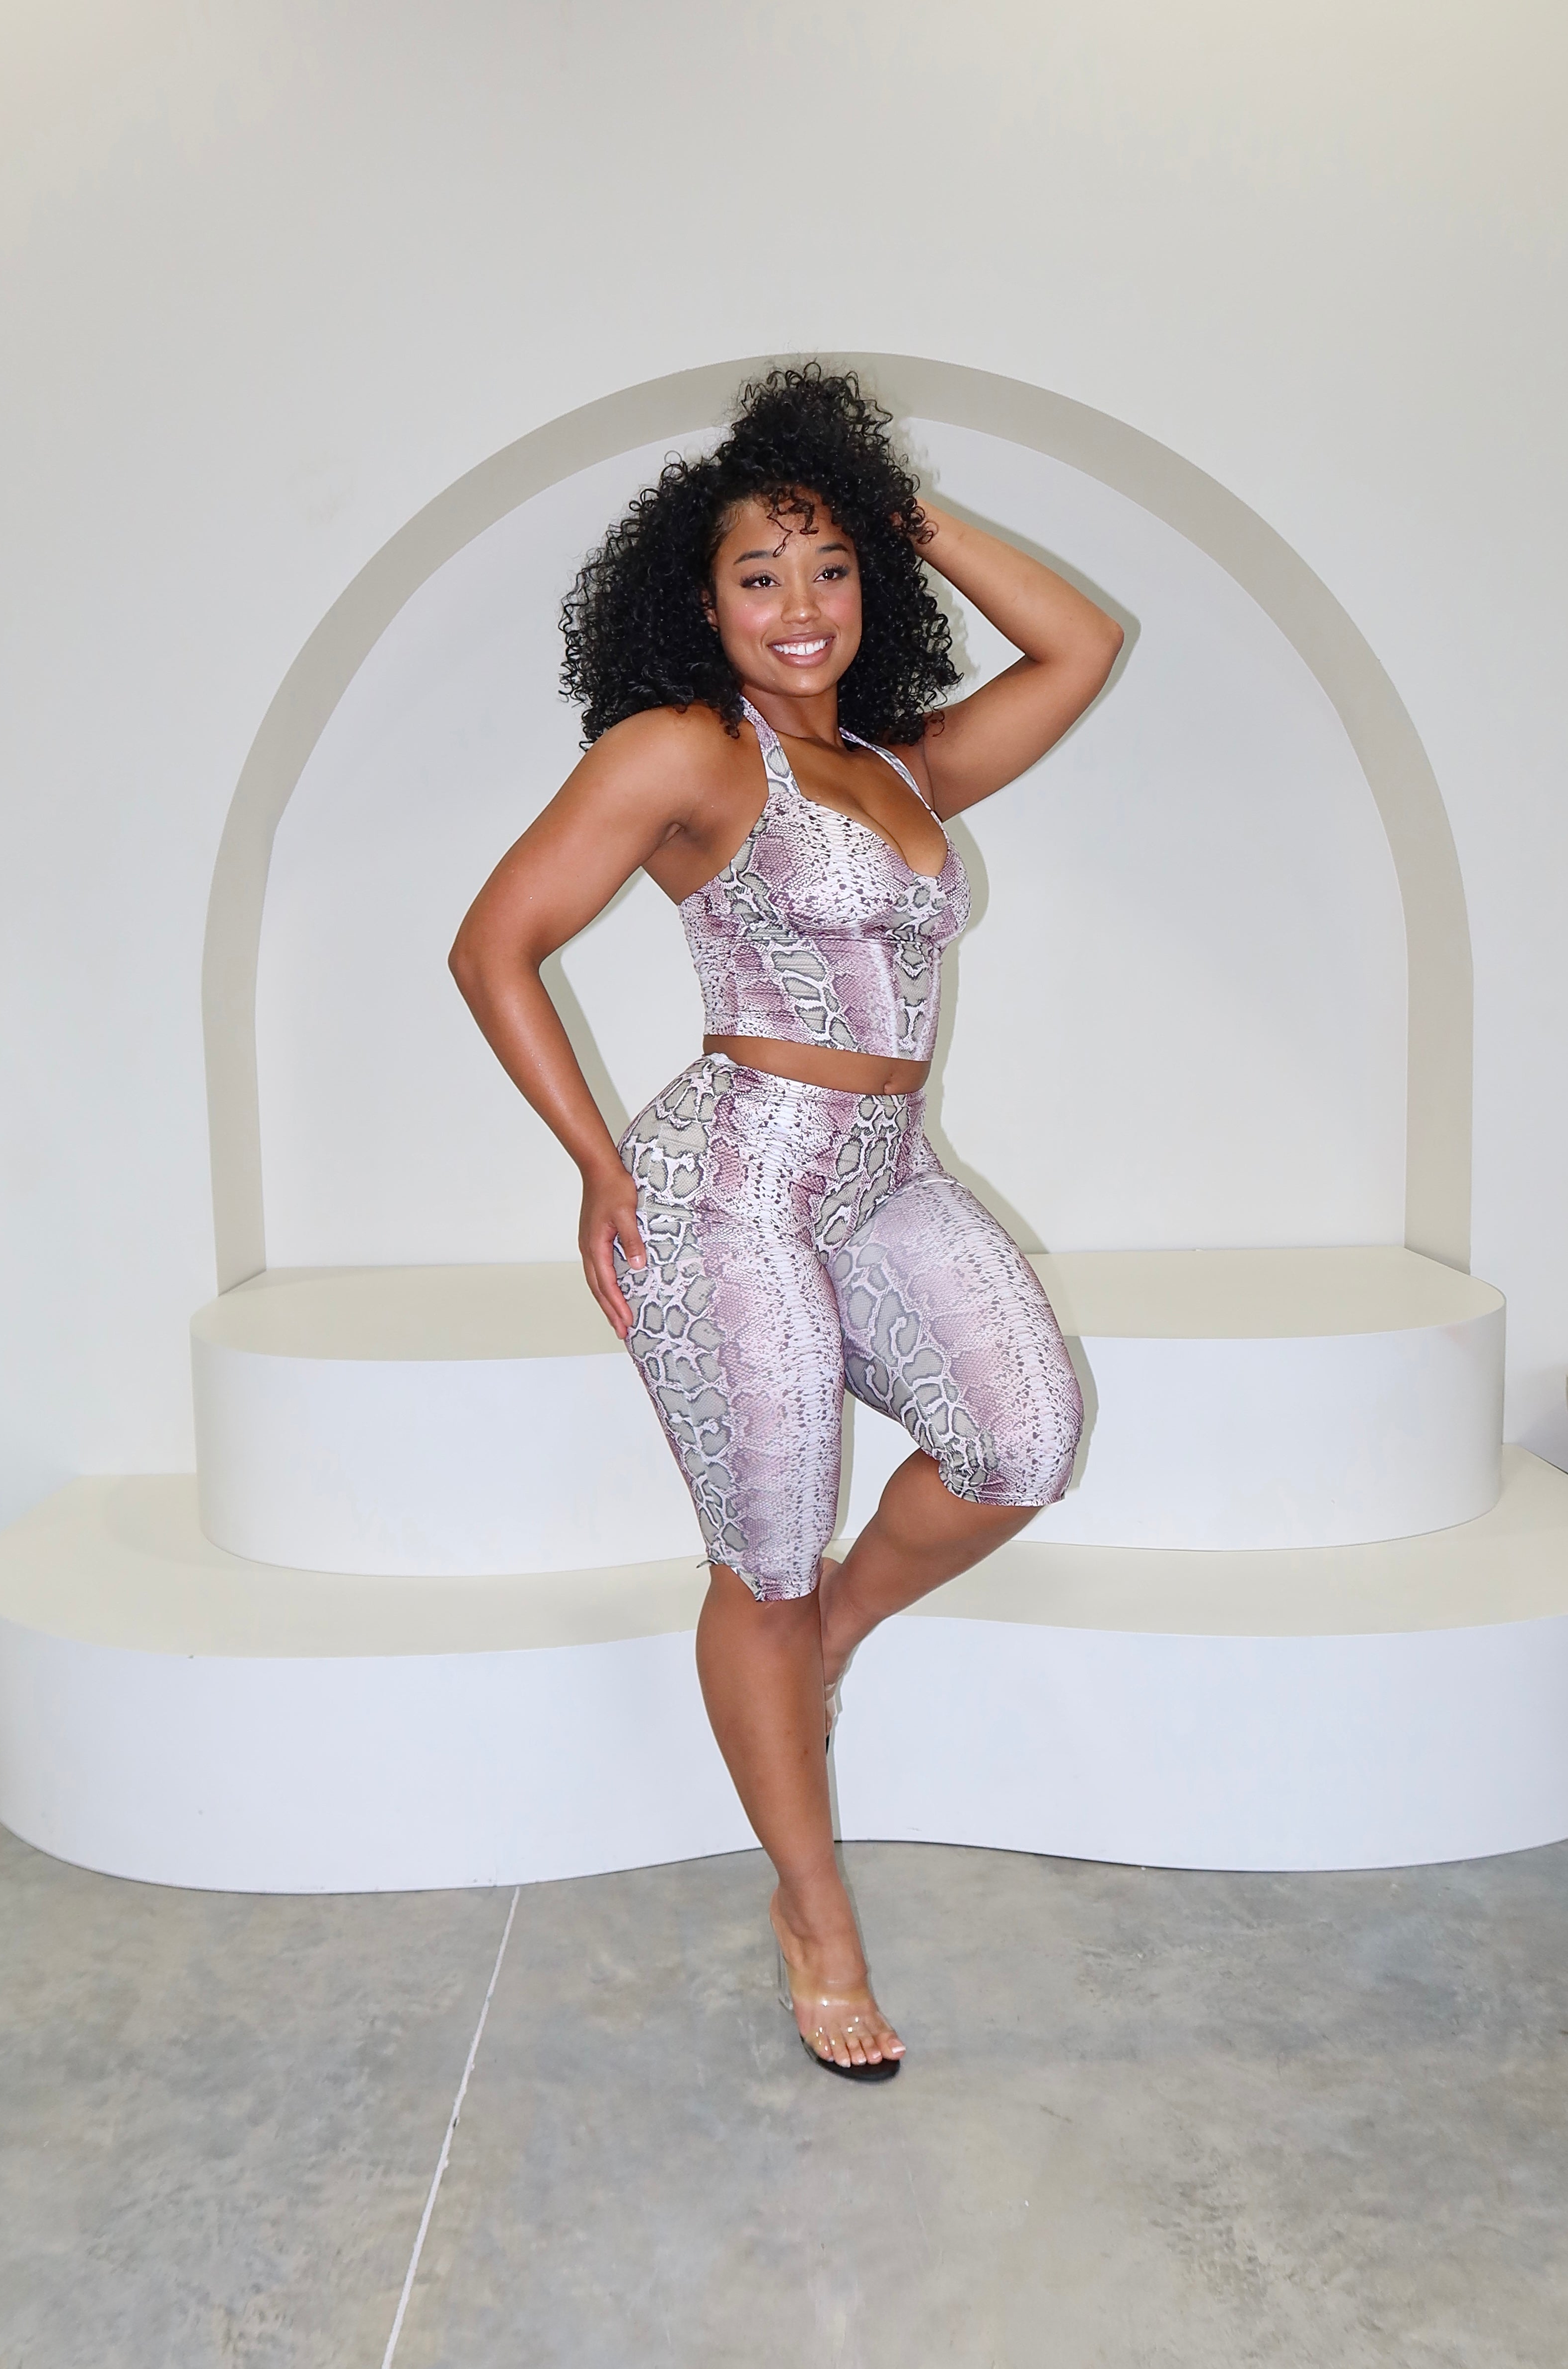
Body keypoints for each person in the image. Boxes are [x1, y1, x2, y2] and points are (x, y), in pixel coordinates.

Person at [450, 365, 1123, 2079]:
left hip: (885, 1175)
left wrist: (895, 508)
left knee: (1023, 1440)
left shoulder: (902, 763)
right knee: (761, 1548)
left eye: (831, 566)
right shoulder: (685, 750)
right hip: (727, 1188)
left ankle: (825, 1636)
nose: (801, 604)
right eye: (761, 573)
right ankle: (815, 1912)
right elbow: (494, 942)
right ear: (704, 599)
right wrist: (597, 1163)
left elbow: (1081, 647)